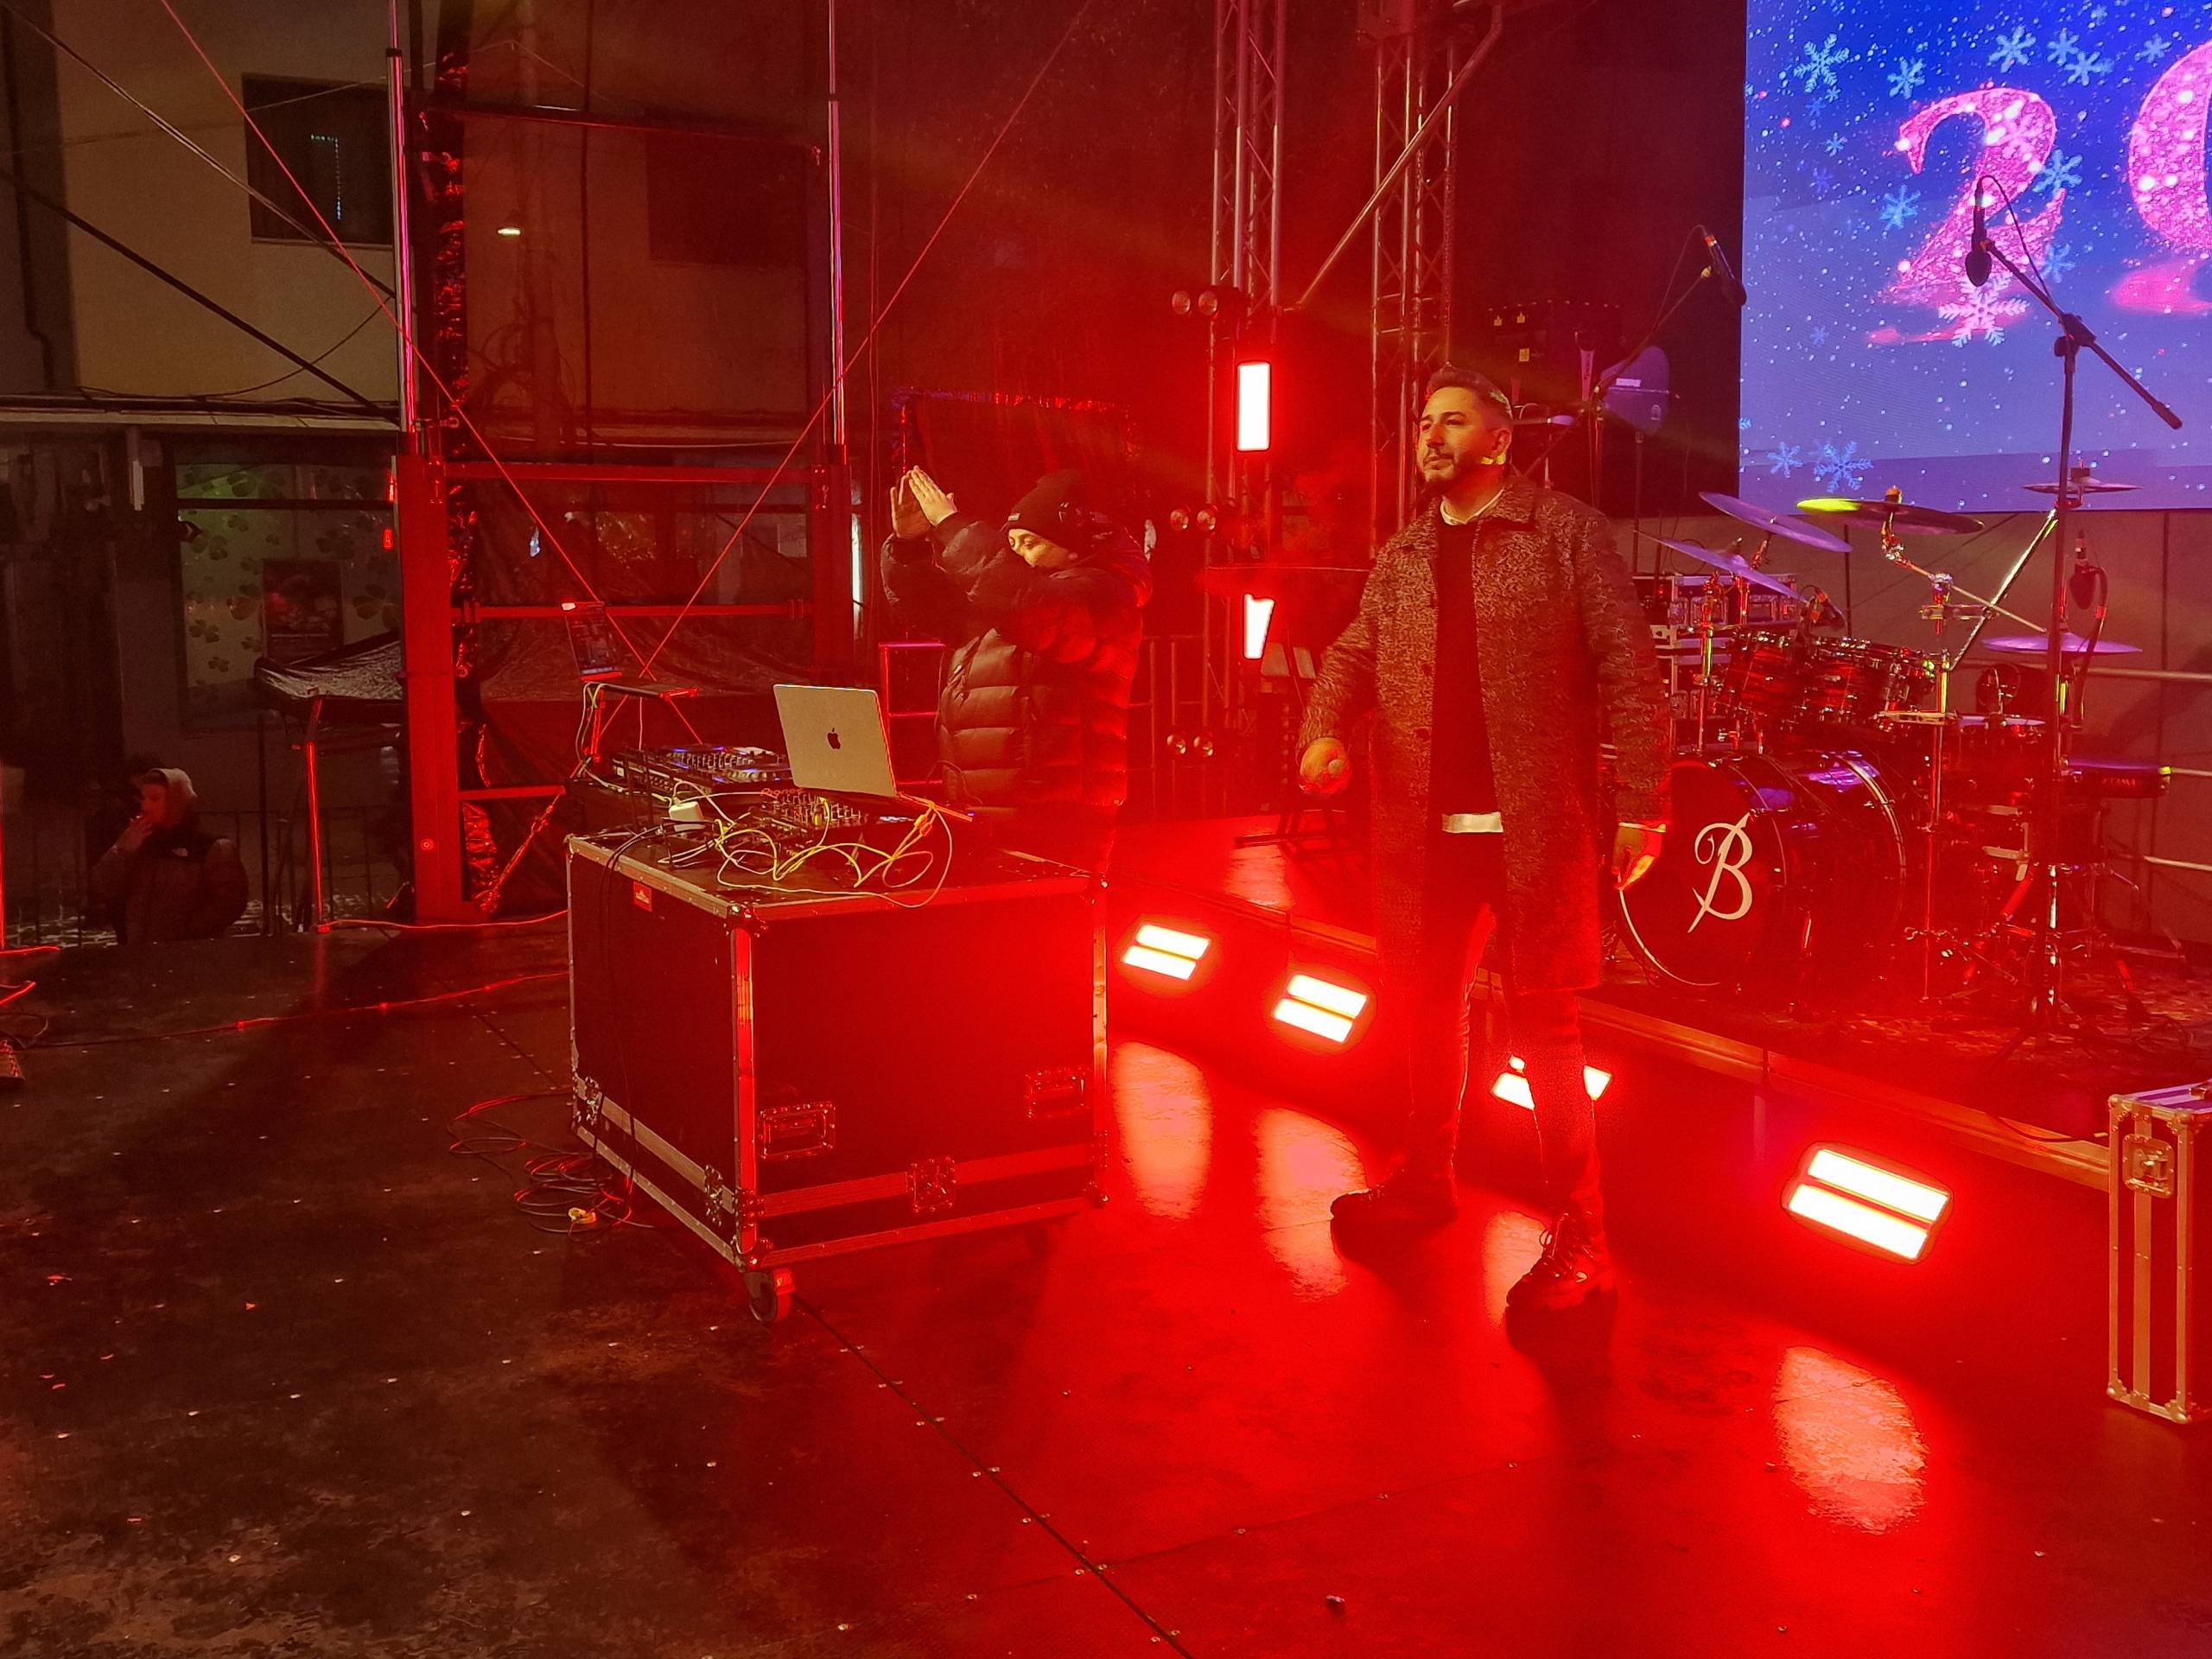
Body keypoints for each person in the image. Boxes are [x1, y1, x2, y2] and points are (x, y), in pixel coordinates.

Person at [1299, 365, 1671, 1312]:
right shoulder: (1406, 552)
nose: (1430, 436)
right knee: (1427, 1012)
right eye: (1425, 421)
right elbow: (1354, 652)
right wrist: (1323, 729)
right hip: (1424, 828)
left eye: (1453, 421)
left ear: (1499, 440)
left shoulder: (1564, 533)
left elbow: (1628, 665)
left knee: (1547, 1033)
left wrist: (1644, 803)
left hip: (1533, 829)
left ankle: (1585, 1239)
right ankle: (1426, 1182)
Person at [882, 466, 1152, 873]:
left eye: (1030, 543)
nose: (1020, 554)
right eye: (1013, 544)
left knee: (1057, 914)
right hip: (986, 812)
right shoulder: (1009, 594)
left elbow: (1035, 610)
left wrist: (952, 527)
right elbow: (932, 609)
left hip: (1059, 821)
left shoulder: (1106, 596)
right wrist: (908, 546)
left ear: (1073, 546)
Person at [88, 768, 250, 944]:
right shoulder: (140, 843)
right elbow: (103, 887)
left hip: (187, 954)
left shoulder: (209, 848)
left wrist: (185, 935)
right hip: (137, 952)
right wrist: (122, 850)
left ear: (176, 802)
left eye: (154, 799)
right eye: (143, 798)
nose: (145, 806)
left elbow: (229, 905)